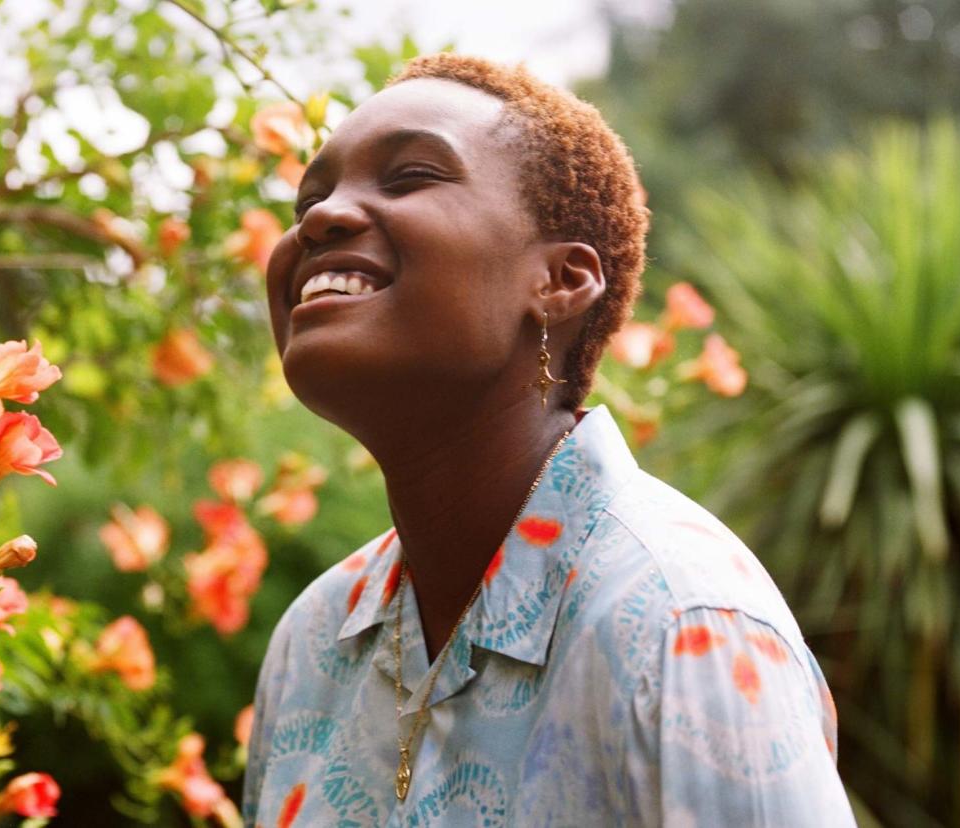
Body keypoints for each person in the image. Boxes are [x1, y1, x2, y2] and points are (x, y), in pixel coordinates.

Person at [243, 53, 856, 827]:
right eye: (311, 194)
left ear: (561, 282)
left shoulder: (682, 626)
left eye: (409, 177)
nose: (320, 217)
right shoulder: (313, 642)